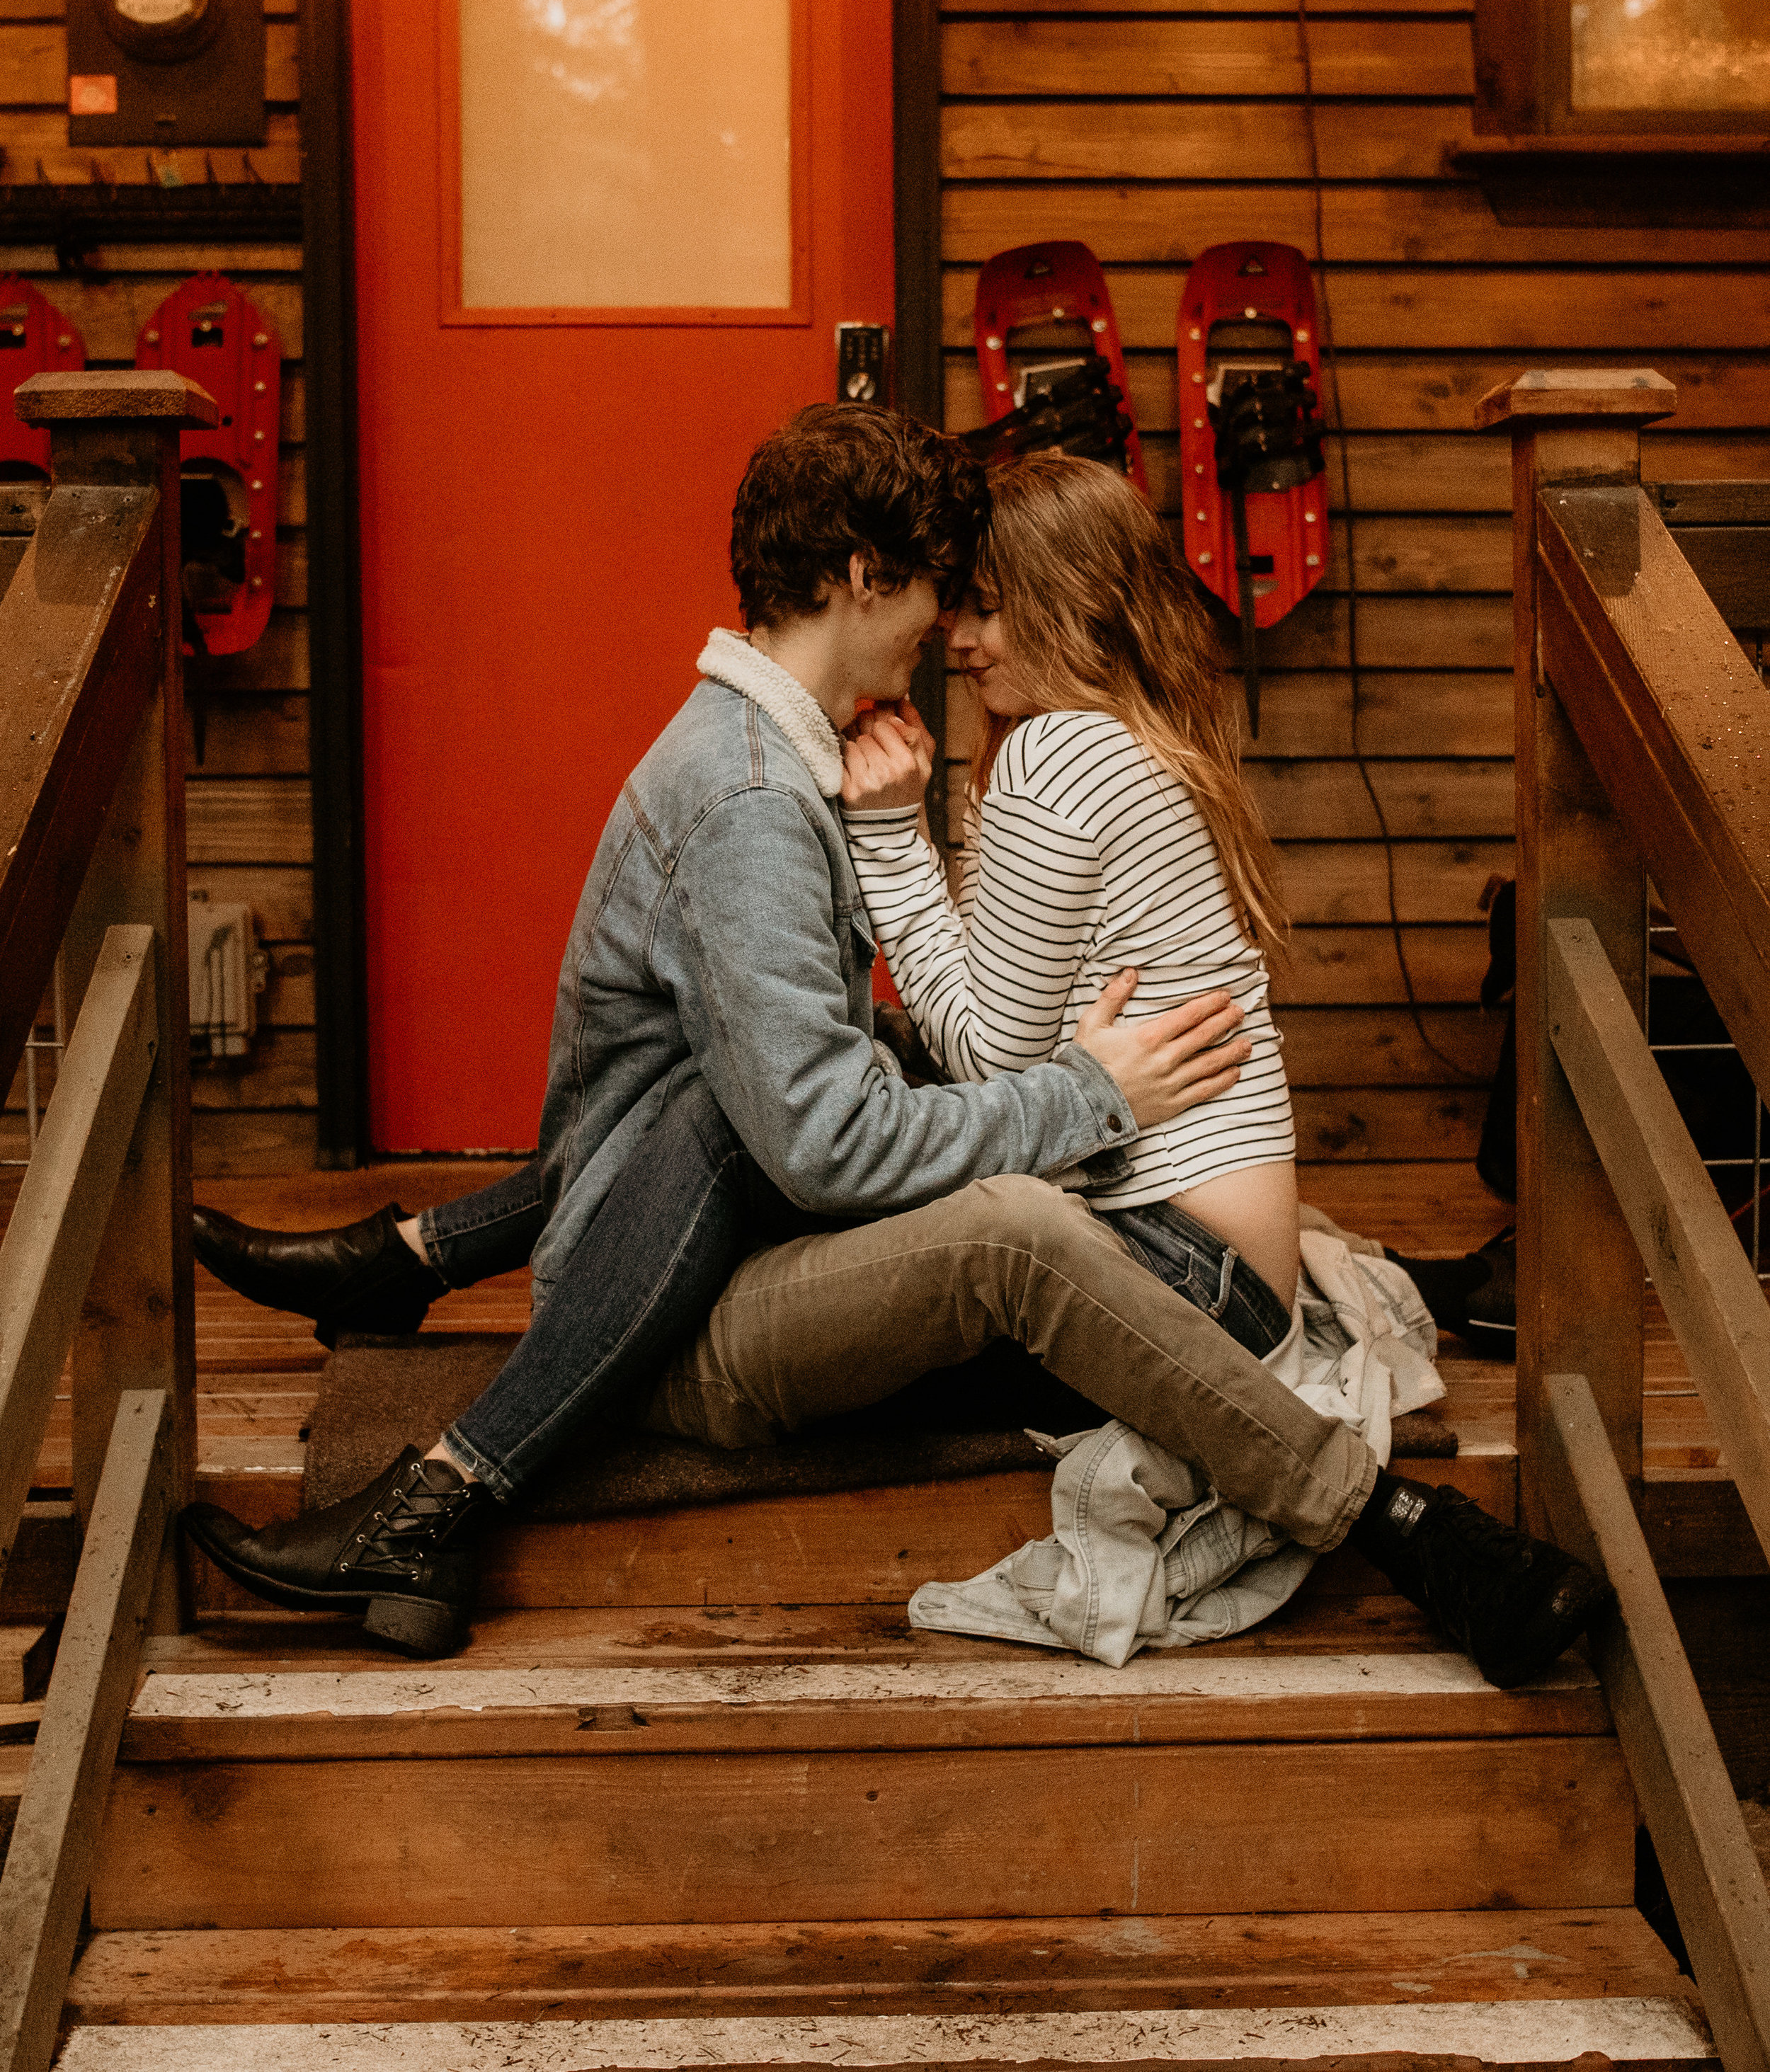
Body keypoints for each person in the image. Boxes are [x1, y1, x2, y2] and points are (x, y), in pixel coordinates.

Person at [185, 407, 1608, 1688]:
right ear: (869, 578)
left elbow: (866, 1089)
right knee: (972, 1197)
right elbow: (842, 1130)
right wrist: (1082, 1091)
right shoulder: (758, 796)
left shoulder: (800, 762)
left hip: (717, 1255)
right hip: (661, 1307)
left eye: (982, 606)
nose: (948, 632)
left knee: (865, 1095)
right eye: (943, 596)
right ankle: (1404, 1527)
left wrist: (964, 968)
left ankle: (420, 1303)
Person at [840, 450, 1300, 1333]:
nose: (958, 640)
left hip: (1182, 1268)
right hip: (1234, 1271)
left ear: (1071, 597)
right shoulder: (1129, 736)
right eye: (956, 610)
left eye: (988, 607)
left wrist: (893, 839)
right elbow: (1017, 1024)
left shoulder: (1055, 757)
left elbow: (989, 1063)